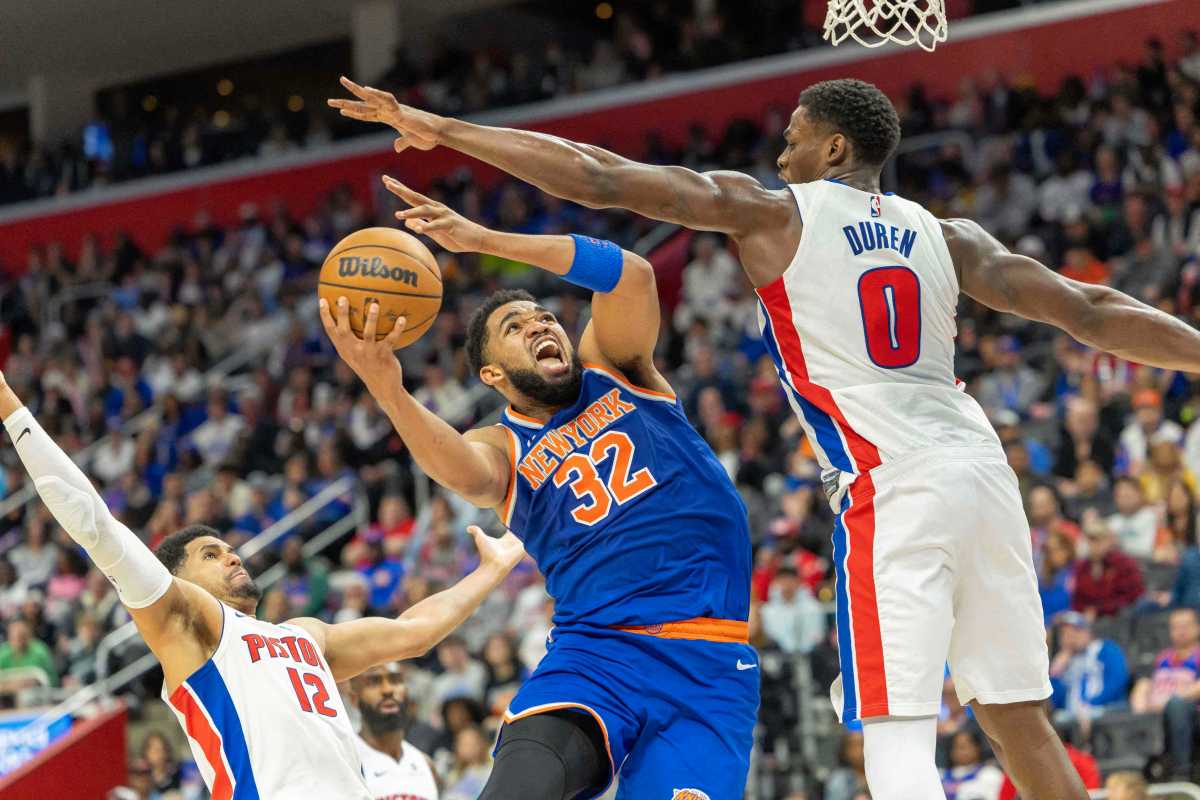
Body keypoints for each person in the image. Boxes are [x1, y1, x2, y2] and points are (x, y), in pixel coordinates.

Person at [331, 73, 1200, 800]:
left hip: (887, 482)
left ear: (831, 150)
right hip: (978, 466)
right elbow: (1091, 311)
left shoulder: (770, 217)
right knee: (1016, 718)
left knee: (895, 730)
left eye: (793, 137)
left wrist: (443, 131)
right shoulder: (948, 236)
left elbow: (602, 180)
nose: (779, 152)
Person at [318, 176, 756, 799]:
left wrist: (483, 239)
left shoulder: (615, 367)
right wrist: (388, 388)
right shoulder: (502, 445)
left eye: (543, 316)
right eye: (516, 328)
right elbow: (458, 471)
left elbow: (631, 274)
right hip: (595, 655)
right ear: (492, 372)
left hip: (708, 663)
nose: (539, 325)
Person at [0, 370, 523, 798]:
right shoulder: (193, 629)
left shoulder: (305, 634)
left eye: (229, 547)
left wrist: (490, 570)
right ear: (179, 581)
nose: (231, 555)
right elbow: (96, 525)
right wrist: (10, 407)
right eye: (210, 554)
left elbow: (414, 631)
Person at [345, 662, 440, 800]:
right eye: (374, 682)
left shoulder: (425, 763)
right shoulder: (345, 759)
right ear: (354, 698)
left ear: (407, 692)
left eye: (395, 681)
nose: (388, 690)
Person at [1128, 607, 1200, 779]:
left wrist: (1168, 701)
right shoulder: (1163, 658)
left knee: (1176, 706)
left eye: (1186, 626)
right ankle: (1139, 775)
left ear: (1197, 627)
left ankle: (1182, 773)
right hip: (1160, 716)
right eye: (1176, 627)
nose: (1180, 631)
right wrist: (1140, 702)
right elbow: (1145, 683)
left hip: (1192, 715)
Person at [1048, 611, 1130, 727]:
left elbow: (1117, 680)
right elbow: (1057, 702)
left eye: (1075, 631)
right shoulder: (1065, 661)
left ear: (1087, 632)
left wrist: (1090, 704)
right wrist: (1056, 672)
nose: (1070, 638)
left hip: (1105, 709)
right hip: (1072, 715)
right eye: (1065, 634)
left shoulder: (1106, 649)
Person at [1071, 517, 1145, 618]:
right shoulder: (1081, 567)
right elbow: (1078, 599)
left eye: (1099, 540)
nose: (1094, 545)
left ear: (1109, 540)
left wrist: (1099, 610)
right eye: (1091, 540)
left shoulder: (1124, 563)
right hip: (1088, 619)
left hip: (1118, 618)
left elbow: (1132, 596)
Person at [940, 728, 1005, 800]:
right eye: (957, 747)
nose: (961, 752)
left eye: (964, 747)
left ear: (977, 748)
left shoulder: (990, 774)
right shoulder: (940, 775)